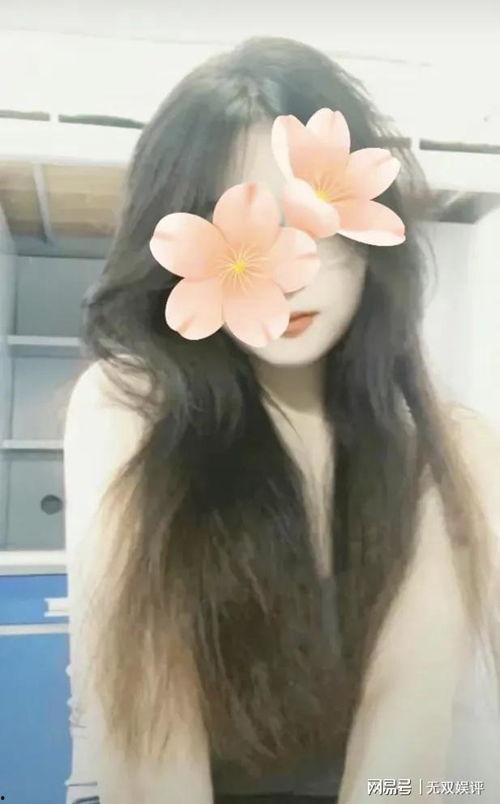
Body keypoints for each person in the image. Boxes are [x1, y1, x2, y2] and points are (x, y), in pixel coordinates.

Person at [63, 36, 500, 804]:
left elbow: (404, 744)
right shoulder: (128, 407)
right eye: (241, 231)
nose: (287, 274)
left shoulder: (451, 447)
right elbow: (151, 756)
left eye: (317, 222)